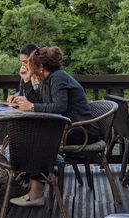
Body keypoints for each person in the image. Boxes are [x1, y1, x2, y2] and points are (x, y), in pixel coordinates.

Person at [9, 46, 98, 207]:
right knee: (34, 137)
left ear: (41, 68)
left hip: (81, 130)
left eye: (33, 67)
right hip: (67, 128)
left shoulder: (58, 78)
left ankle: (35, 191)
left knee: (37, 140)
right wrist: (28, 82)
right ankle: (34, 182)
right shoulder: (49, 79)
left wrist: (32, 107)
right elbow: (42, 103)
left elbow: (59, 107)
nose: (32, 69)